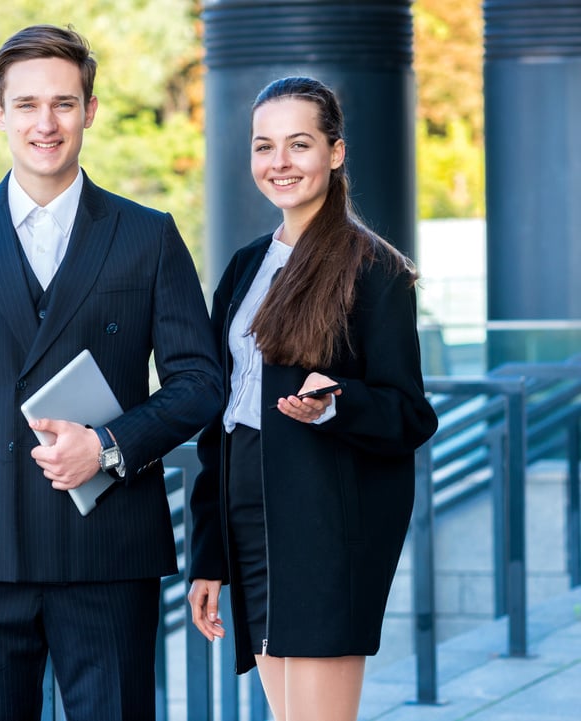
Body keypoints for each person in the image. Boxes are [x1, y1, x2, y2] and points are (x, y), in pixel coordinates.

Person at [0, 24, 223, 721]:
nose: (46, 123)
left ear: (91, 110)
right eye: (27, 104)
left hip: (106, 548)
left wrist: (106, 445)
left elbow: (200, 382)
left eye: (65, 104)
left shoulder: (148, 234)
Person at [186, 76, 439, 721]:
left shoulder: (374, 270)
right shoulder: (244, 266)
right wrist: (208, 556)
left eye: (299, 145)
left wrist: (336, 405)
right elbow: (220, 421)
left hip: (325, 523)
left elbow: (410, 415)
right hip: (248, 513)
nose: (280, 163)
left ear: (335, 152)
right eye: (264, 147)